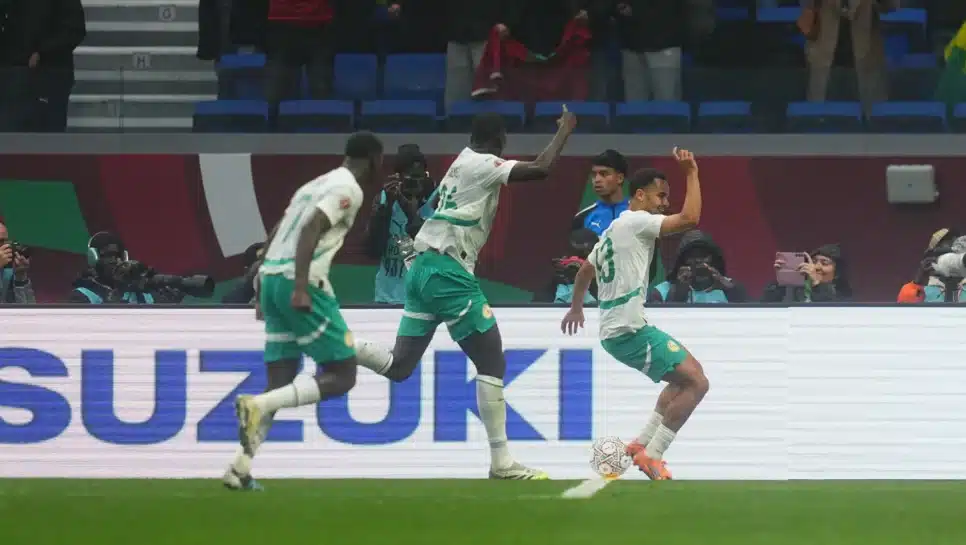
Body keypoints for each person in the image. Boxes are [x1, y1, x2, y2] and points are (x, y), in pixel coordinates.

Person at [353, 108, 578, 480]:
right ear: (499, 139)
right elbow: (541, 168)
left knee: (400, 366)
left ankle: (340, 344)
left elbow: (422, 222)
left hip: (421, 268)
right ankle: (502, 463)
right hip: (447, 271)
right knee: (492, 362)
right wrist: (565, 131)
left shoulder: (459, 163)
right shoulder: (484, 164)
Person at [223, 131, 384, 491]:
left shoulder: (314, 184)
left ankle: (239, 467)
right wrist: (298, 286)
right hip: (301, 280)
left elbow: (279, 229)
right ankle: (256, 404)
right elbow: (312, 228)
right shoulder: (348, 188)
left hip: (270, 277)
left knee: (280, 381)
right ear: (375, 159)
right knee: (343, 373)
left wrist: (260, 283)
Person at [560, 149, 711, 481]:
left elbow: (584, 271)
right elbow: (690, 219)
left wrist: (576, 307)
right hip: (628, 330)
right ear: (640, 195)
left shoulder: (613, 229)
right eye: (661, 196)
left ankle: (640, 444)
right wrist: (692, 173)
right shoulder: (637, 221)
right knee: (697, 382)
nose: (664, 203)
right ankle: (653, 456)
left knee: (682, 379)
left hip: (617, 330)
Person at [365, 144, 439, 305]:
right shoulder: (385, 199)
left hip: (423, 300)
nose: (416, 183)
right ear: (398, 178)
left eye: (421, 176)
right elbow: (373, 250)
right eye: (410, 178)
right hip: (387, 298)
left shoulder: (435, 200)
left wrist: (411, 212)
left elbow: (431, 252)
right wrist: (386, 209)